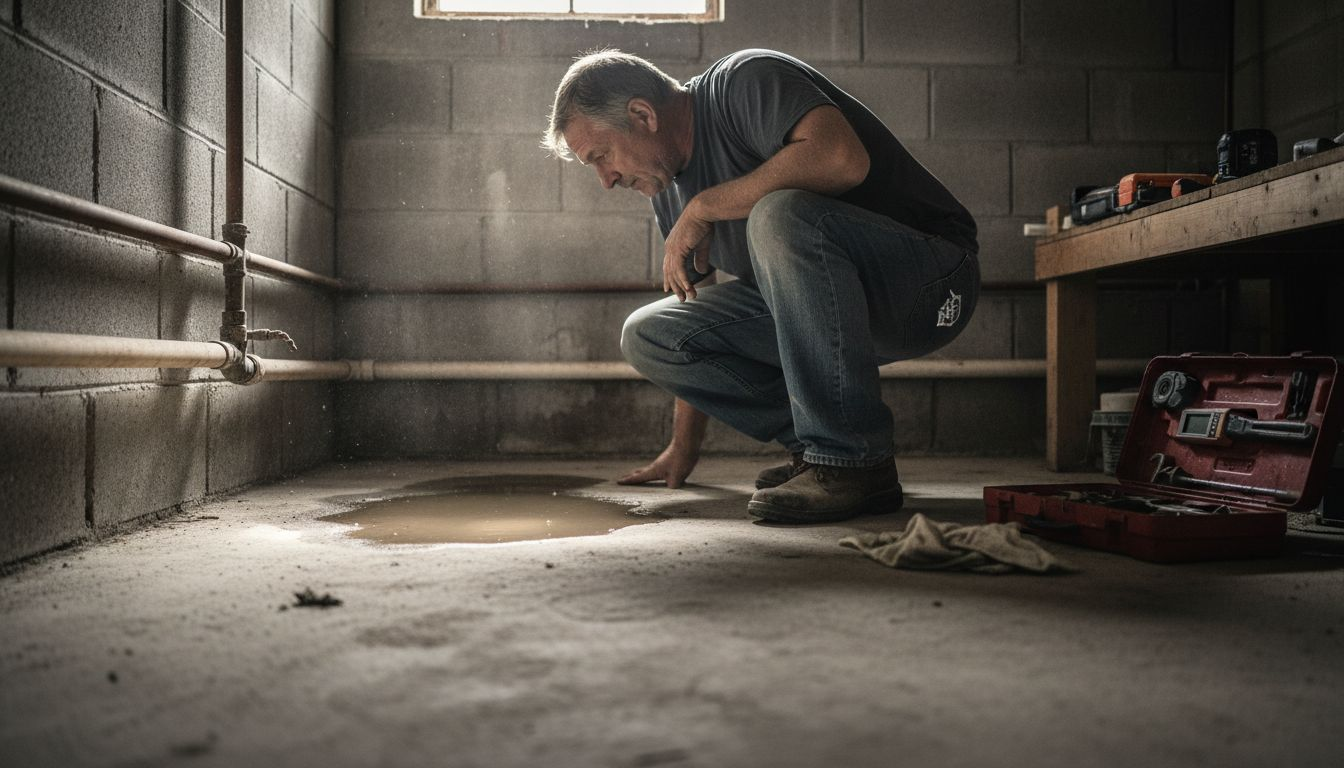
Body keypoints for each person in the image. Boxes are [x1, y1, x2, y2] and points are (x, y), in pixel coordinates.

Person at [542, 48, 979, 523]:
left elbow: (841, 159)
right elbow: (695, 304)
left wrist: (707, 205)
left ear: (642, 114)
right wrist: (682, 449)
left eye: (601, 157)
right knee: (652, 333)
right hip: (835, 311)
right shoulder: (668, 189)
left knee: (779, 213)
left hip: (929, 282)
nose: (605, 180)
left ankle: (851, 458)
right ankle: (819, 451)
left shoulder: (742, 82)